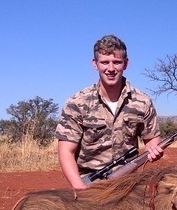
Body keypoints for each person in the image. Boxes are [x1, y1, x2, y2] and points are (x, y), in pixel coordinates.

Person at [56, 35, 163, 189]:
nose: (111, 69)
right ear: (95, 64)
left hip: (128, 184)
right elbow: (66, 151)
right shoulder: (77, 103)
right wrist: (80, 190)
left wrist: (154, 150)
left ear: (126, 64)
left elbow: (152, 140)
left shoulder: (143, 101)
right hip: (89, 184)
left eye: (117, 62)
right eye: (105, 62)